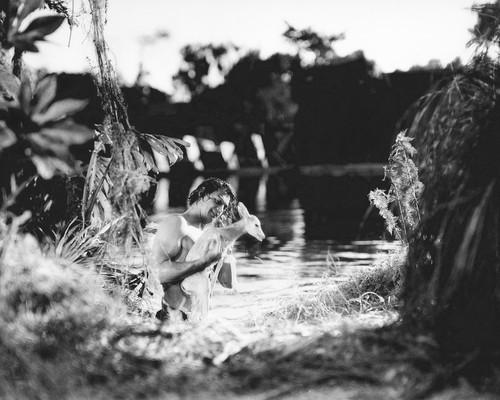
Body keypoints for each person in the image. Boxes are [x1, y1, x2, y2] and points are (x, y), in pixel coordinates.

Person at [152, 177, 238, 320]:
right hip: (173, 319)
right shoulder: (177, 224)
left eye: (224, 207)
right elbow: (158, 274)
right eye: (218, 202)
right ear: (202, 195)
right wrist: (202, 263)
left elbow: (227, 283)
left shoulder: (208, 235)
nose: (220, 210)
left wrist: (227, 248)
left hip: (197, 321)